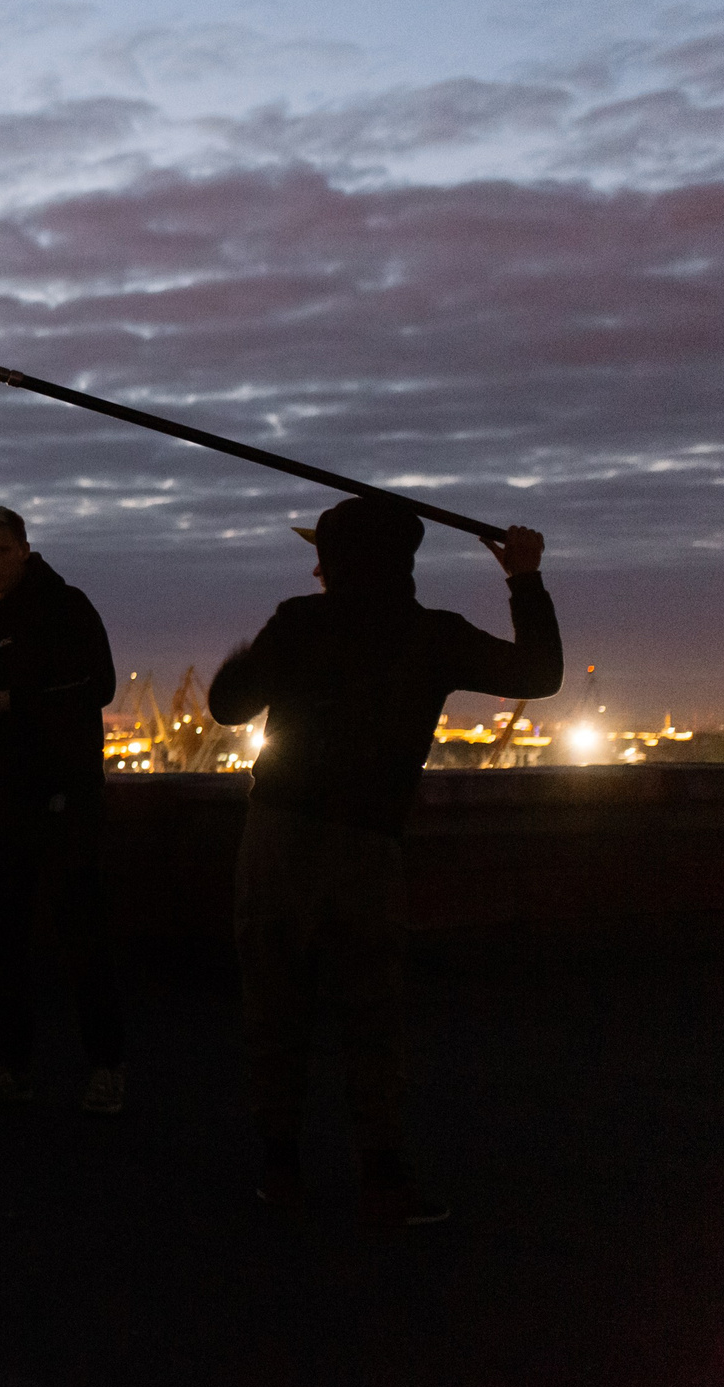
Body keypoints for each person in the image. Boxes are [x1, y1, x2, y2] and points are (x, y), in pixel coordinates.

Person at [208, 497, 560, 1227]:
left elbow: (228, 706)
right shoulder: (432, 634)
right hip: (368, 848)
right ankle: (384, 1180)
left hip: (277, 839)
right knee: (372, 1019)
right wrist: (524, 578)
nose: (313, 567)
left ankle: (282, 1173)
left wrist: (254, 652)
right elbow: (540, 672)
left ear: (336, 563)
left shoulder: (301, 621)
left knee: (275, 1010)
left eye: (321, 556)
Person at [0, 506, 124, 1115]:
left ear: (25, 550)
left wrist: (15, 702)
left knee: (81, 936)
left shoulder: (67, 608)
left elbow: (100, 686)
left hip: (63, 796)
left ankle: (105, 1068)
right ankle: (12, 1066)